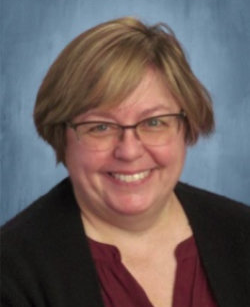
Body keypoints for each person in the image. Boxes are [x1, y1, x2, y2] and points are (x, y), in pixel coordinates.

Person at [1, 17, 250, 307]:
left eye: (154, 122)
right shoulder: (11, 273)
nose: (129, 151)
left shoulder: (243, 236)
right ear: (61, 136)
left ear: (187, 126)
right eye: (100, 127)